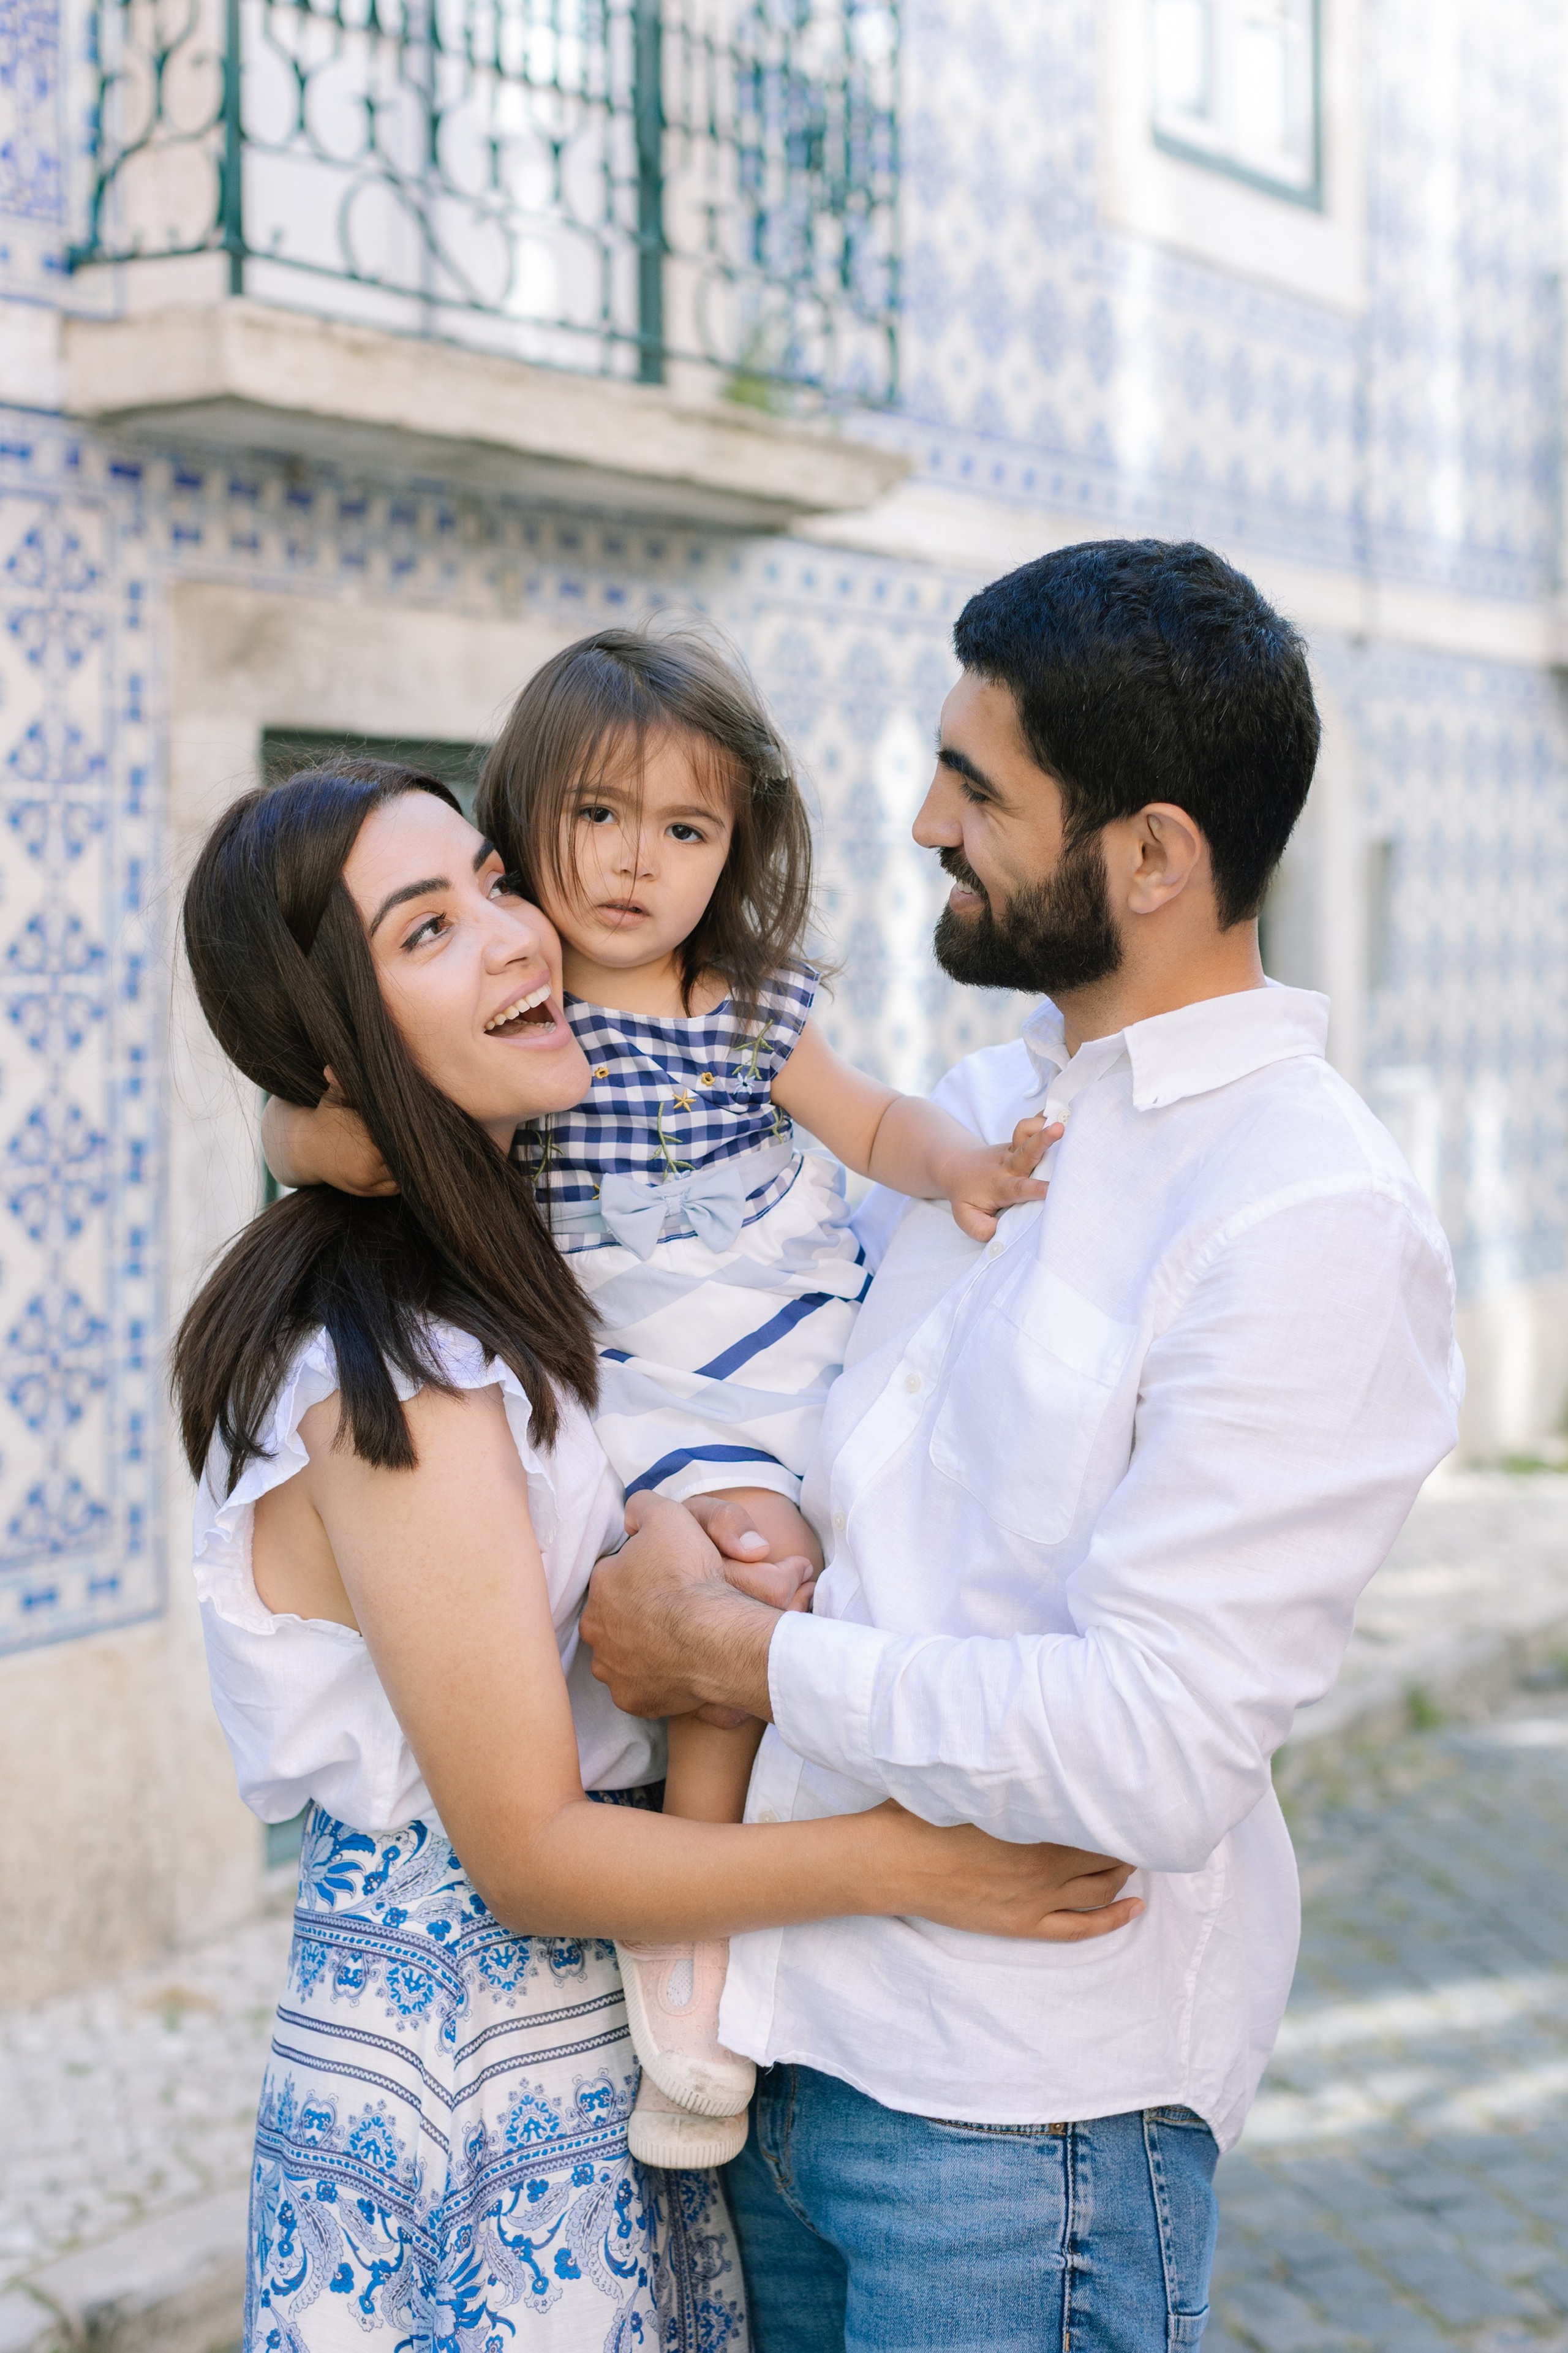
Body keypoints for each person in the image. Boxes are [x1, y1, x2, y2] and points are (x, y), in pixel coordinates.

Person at [580, 540, 1464, 2352]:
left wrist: (745, 1660)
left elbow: (1151, 1748)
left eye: (976, 786)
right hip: (777, 2067)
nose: (919, 822)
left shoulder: (1302, 1209)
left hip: (1017, 2128)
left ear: (1151, 854)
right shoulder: (980, 1122)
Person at [182, 760, 1139, 2350]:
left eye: (495, 881)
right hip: (477, 2063)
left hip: (590, 2048)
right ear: (336, 1039)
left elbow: (338, 1115)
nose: (517, 935)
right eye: (430, 929)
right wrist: (929, 1867)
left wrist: (341, 1109)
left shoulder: (502, 1247)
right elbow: (533, 1855)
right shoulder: (407, 1380)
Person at [260, 628, 1054, 2168]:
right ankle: (700, 1940)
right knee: (740, 1569)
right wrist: (307, 1130)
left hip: (784, 1345)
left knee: (827, 1559)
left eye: (684, 831)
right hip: (651, 1389)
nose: (624, 872)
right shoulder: (426, 1313)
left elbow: (872, 1118)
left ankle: (739, 1918)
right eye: (590, 825)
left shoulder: (729, 1008)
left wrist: (961, 1166)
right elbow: (350, 1111)